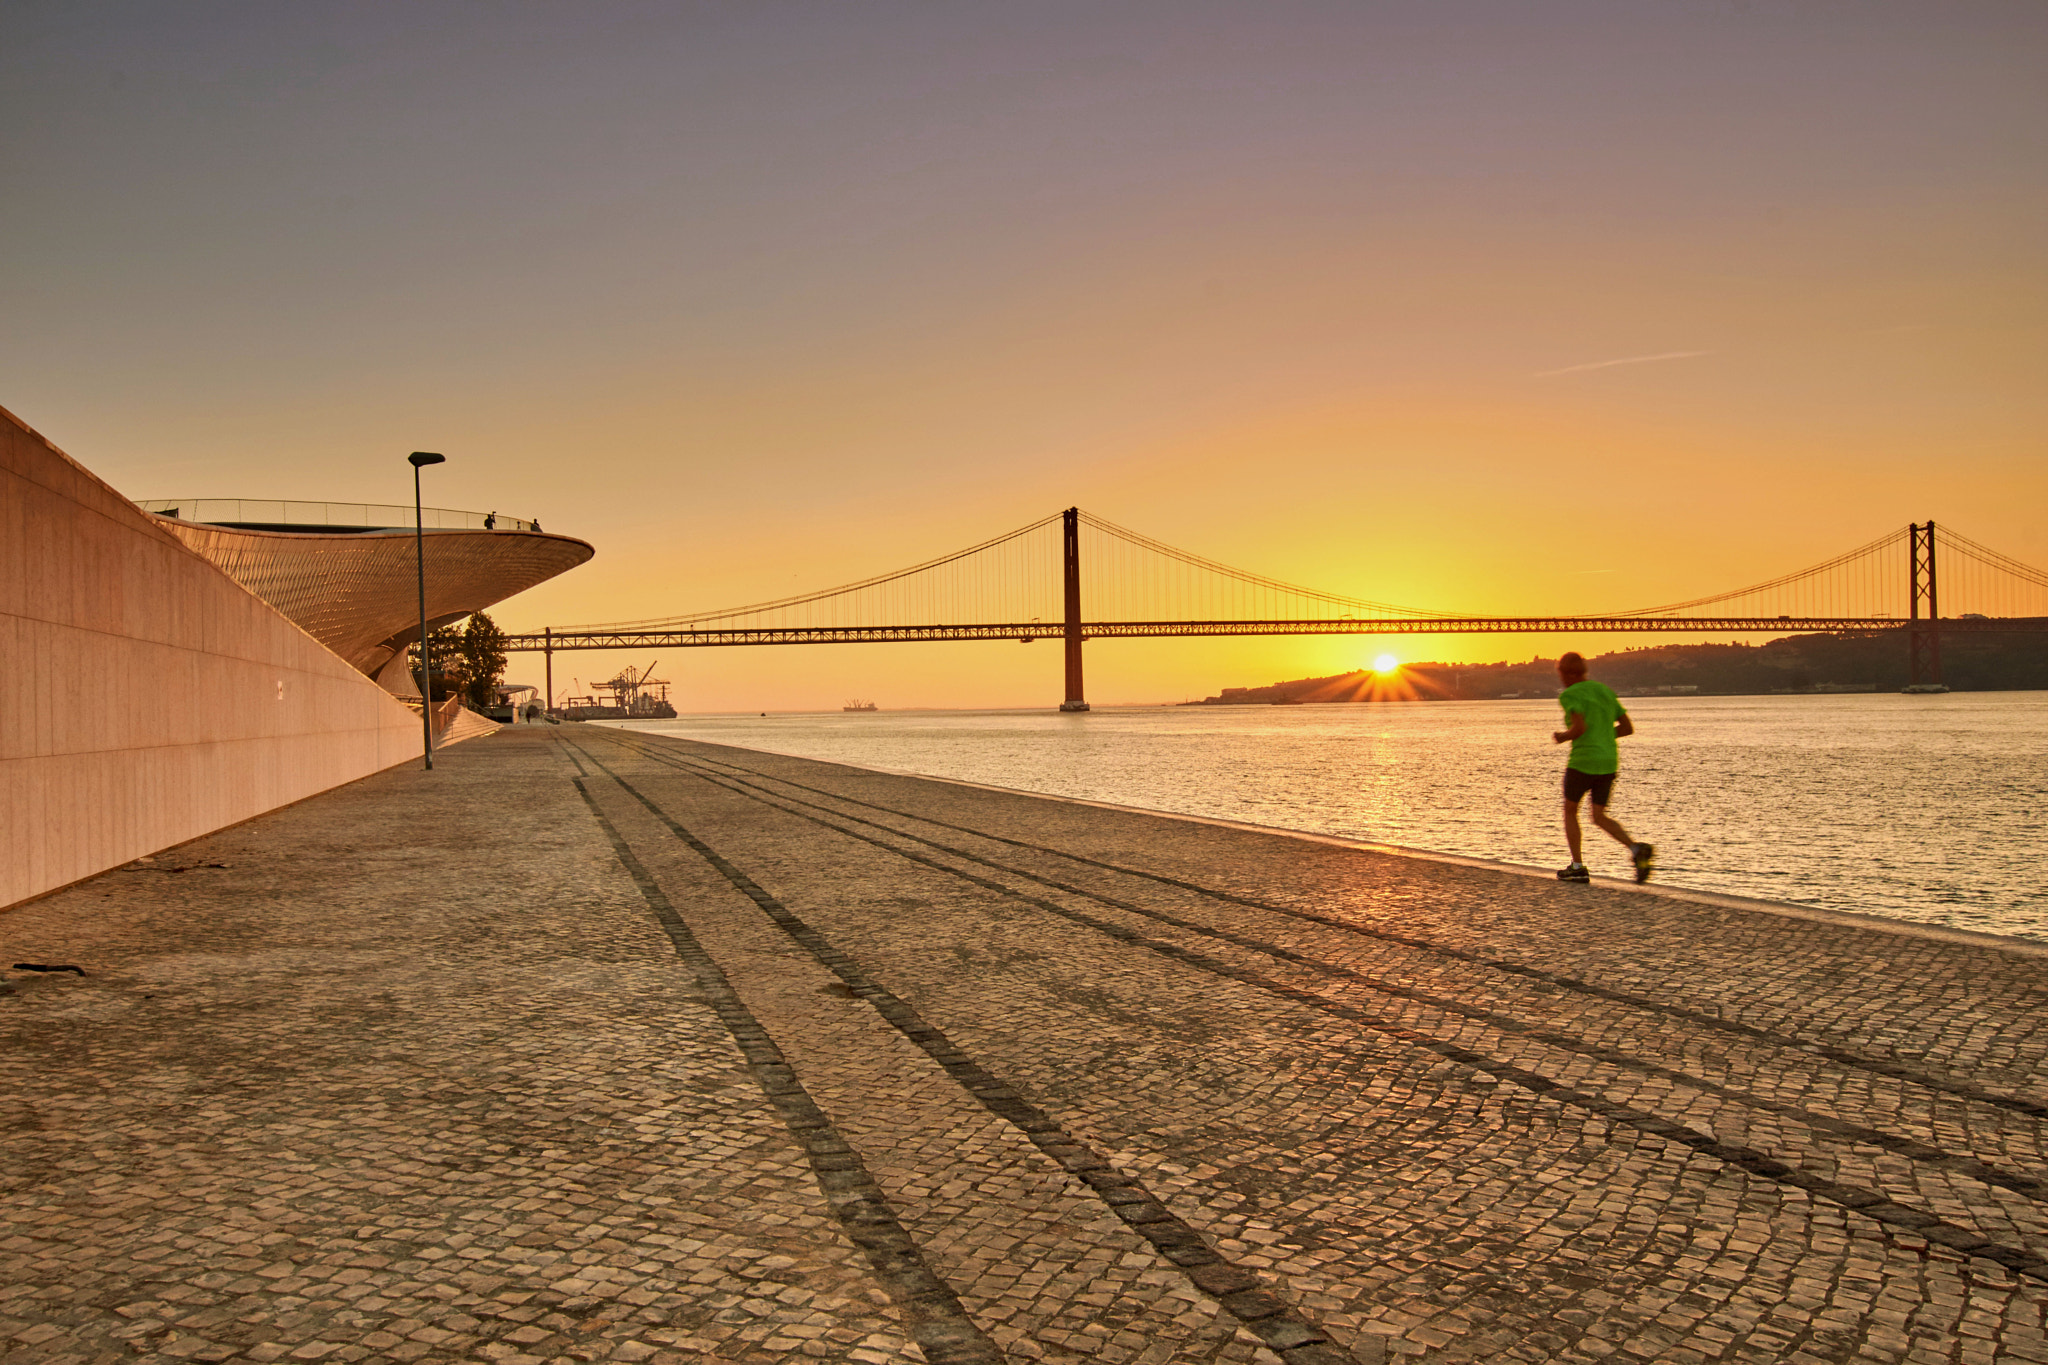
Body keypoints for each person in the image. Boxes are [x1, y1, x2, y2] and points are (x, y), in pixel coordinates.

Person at [1550, 651, 1654, 883]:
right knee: (1598, 816)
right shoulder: (1604, 691)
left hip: (1583, 761)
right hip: (1608, 761)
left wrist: (1563, 737)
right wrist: (1604, 736)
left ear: (1566, 674)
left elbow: (1580, 728)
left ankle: (1577, 867)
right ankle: (1636, 848)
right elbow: (1627, 728)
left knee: (1569, 810)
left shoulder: (1570, 694)